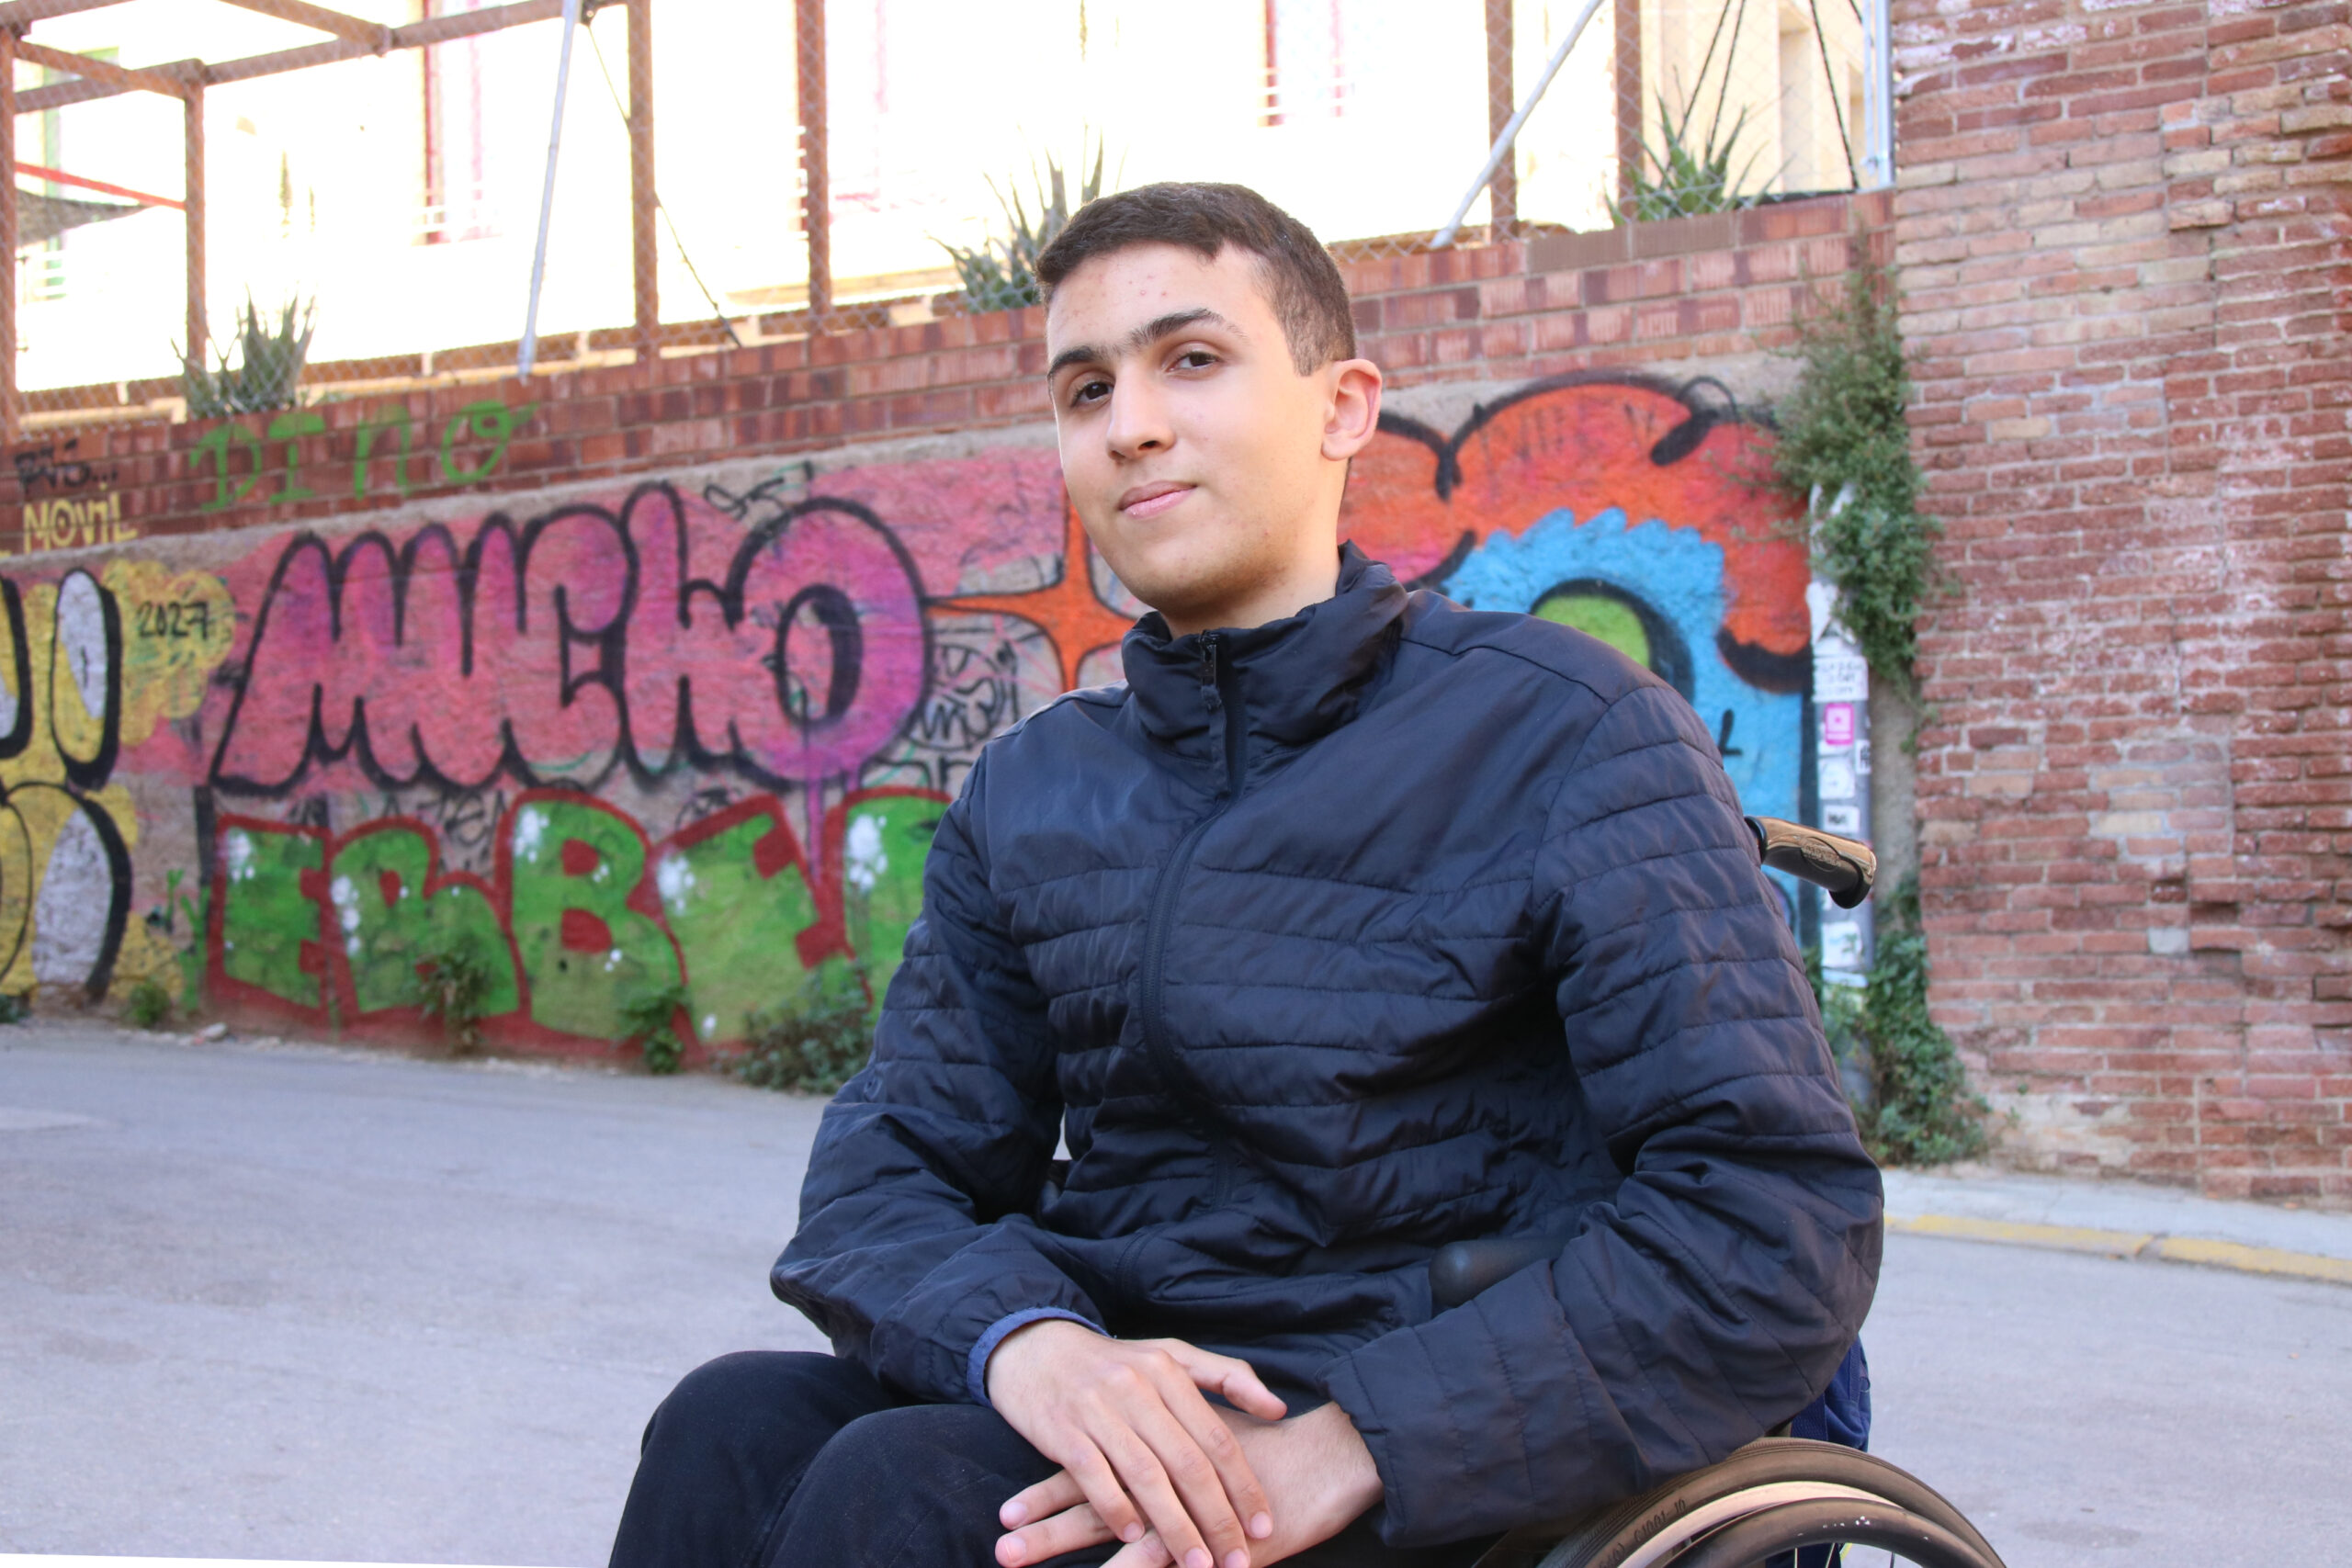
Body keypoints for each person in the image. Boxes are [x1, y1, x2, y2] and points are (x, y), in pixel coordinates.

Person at [607, 183, 1881, 1568]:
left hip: (1447, 1443)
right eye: (1086, 389)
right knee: (728, 1426)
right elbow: (883, 1176)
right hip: (1157, 1379)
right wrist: (1029, 1346)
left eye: (1192, 359)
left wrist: (1354, 1448)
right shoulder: (1036, 791)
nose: (1131, 424)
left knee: (905, 1494)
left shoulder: (1564, 731)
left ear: (1342, 409)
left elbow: (1772, 1221)